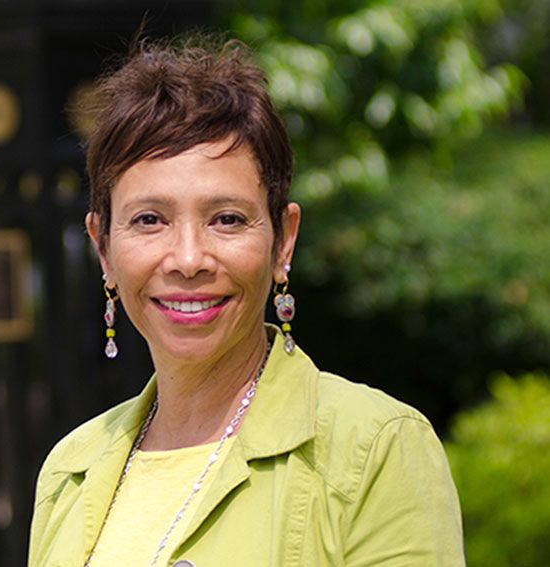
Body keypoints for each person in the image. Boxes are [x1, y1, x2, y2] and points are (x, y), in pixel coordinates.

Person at [29, 35, 464, 567]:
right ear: (103, 249)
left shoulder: (375, 448)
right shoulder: (69, 471)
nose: (188, 259)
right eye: (150, 220)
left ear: (284, 240)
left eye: (227, 219)